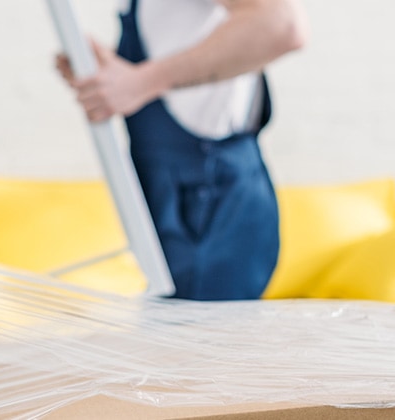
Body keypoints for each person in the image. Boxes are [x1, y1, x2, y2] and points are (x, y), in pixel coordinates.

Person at [58, 0, 306, 300]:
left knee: (202, 339)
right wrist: (112, 79)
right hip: (174, 191)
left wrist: (141, 82)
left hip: (209, 202)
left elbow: (280, 26)